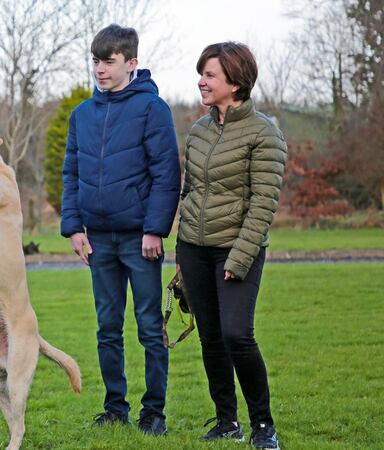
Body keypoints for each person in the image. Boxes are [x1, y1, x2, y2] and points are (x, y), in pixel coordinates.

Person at [60, 24, 181, 436]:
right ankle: (115, 408)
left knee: (149, 328)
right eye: (95, 61)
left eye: (108, 61)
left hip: (140, 240)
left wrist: (154, 230)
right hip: (97, 240)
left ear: (131, 63)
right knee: (107, 327)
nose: (99, 69)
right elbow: (71, 173)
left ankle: (154, 413)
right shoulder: (82, 115)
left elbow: (167, 175)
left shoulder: (153, 109)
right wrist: (74, 227)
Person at [175, 42, 287, 450]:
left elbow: (263, 204)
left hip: (237, 248)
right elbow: (191, 191)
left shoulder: (264, 133)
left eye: (210, 75)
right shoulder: (199, 130)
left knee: (237, 334)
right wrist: (181, 245)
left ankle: (263, 427)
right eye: (201, 73)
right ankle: (227, 422)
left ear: (236, 82)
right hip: (194, 248)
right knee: (210, 337)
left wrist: (239, 257)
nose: (201, 81)